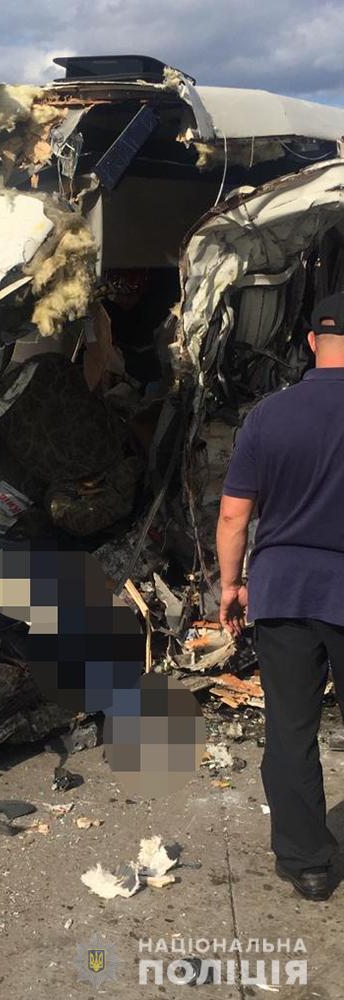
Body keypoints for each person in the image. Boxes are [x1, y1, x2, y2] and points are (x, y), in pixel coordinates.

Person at [217, 293, 344, 902]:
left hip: (283, 589)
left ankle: (309, 864)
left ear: (312, 341)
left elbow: (233, 516)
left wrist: (231, 585)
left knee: (291, 729)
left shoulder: (269, 415)